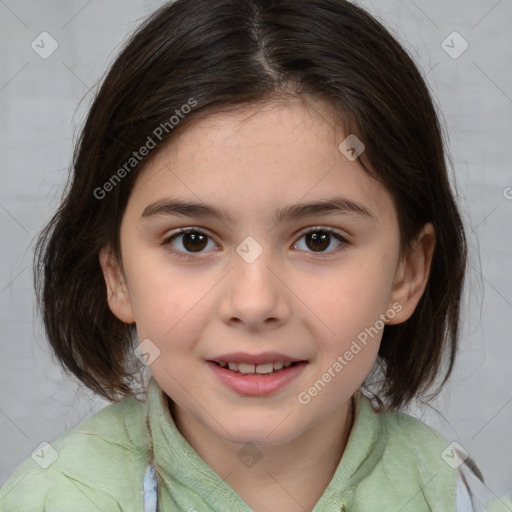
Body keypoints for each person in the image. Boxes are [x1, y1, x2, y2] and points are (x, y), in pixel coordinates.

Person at [0, 0, 498, 510]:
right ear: (118, 275)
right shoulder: (54, 499)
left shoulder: (454, 496)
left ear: (406, 275)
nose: (255, 303)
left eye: (319, 239)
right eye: (192, 240)